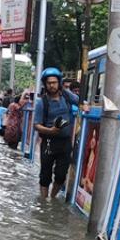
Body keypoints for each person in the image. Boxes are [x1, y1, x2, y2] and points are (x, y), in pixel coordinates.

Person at [33, 67, 80, 200]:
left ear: (59, 82)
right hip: (48, 142)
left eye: (54, 82)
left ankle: (52, 198)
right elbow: (36, 125)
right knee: (45, 174)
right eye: (49, 83)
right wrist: (50, 131)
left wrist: (85, 106)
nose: (52, 85)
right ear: (45, 84)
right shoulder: (42, 103)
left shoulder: (66, 96)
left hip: (65, 142)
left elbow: (80, 102)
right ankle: (43, 201)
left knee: (61, 174)